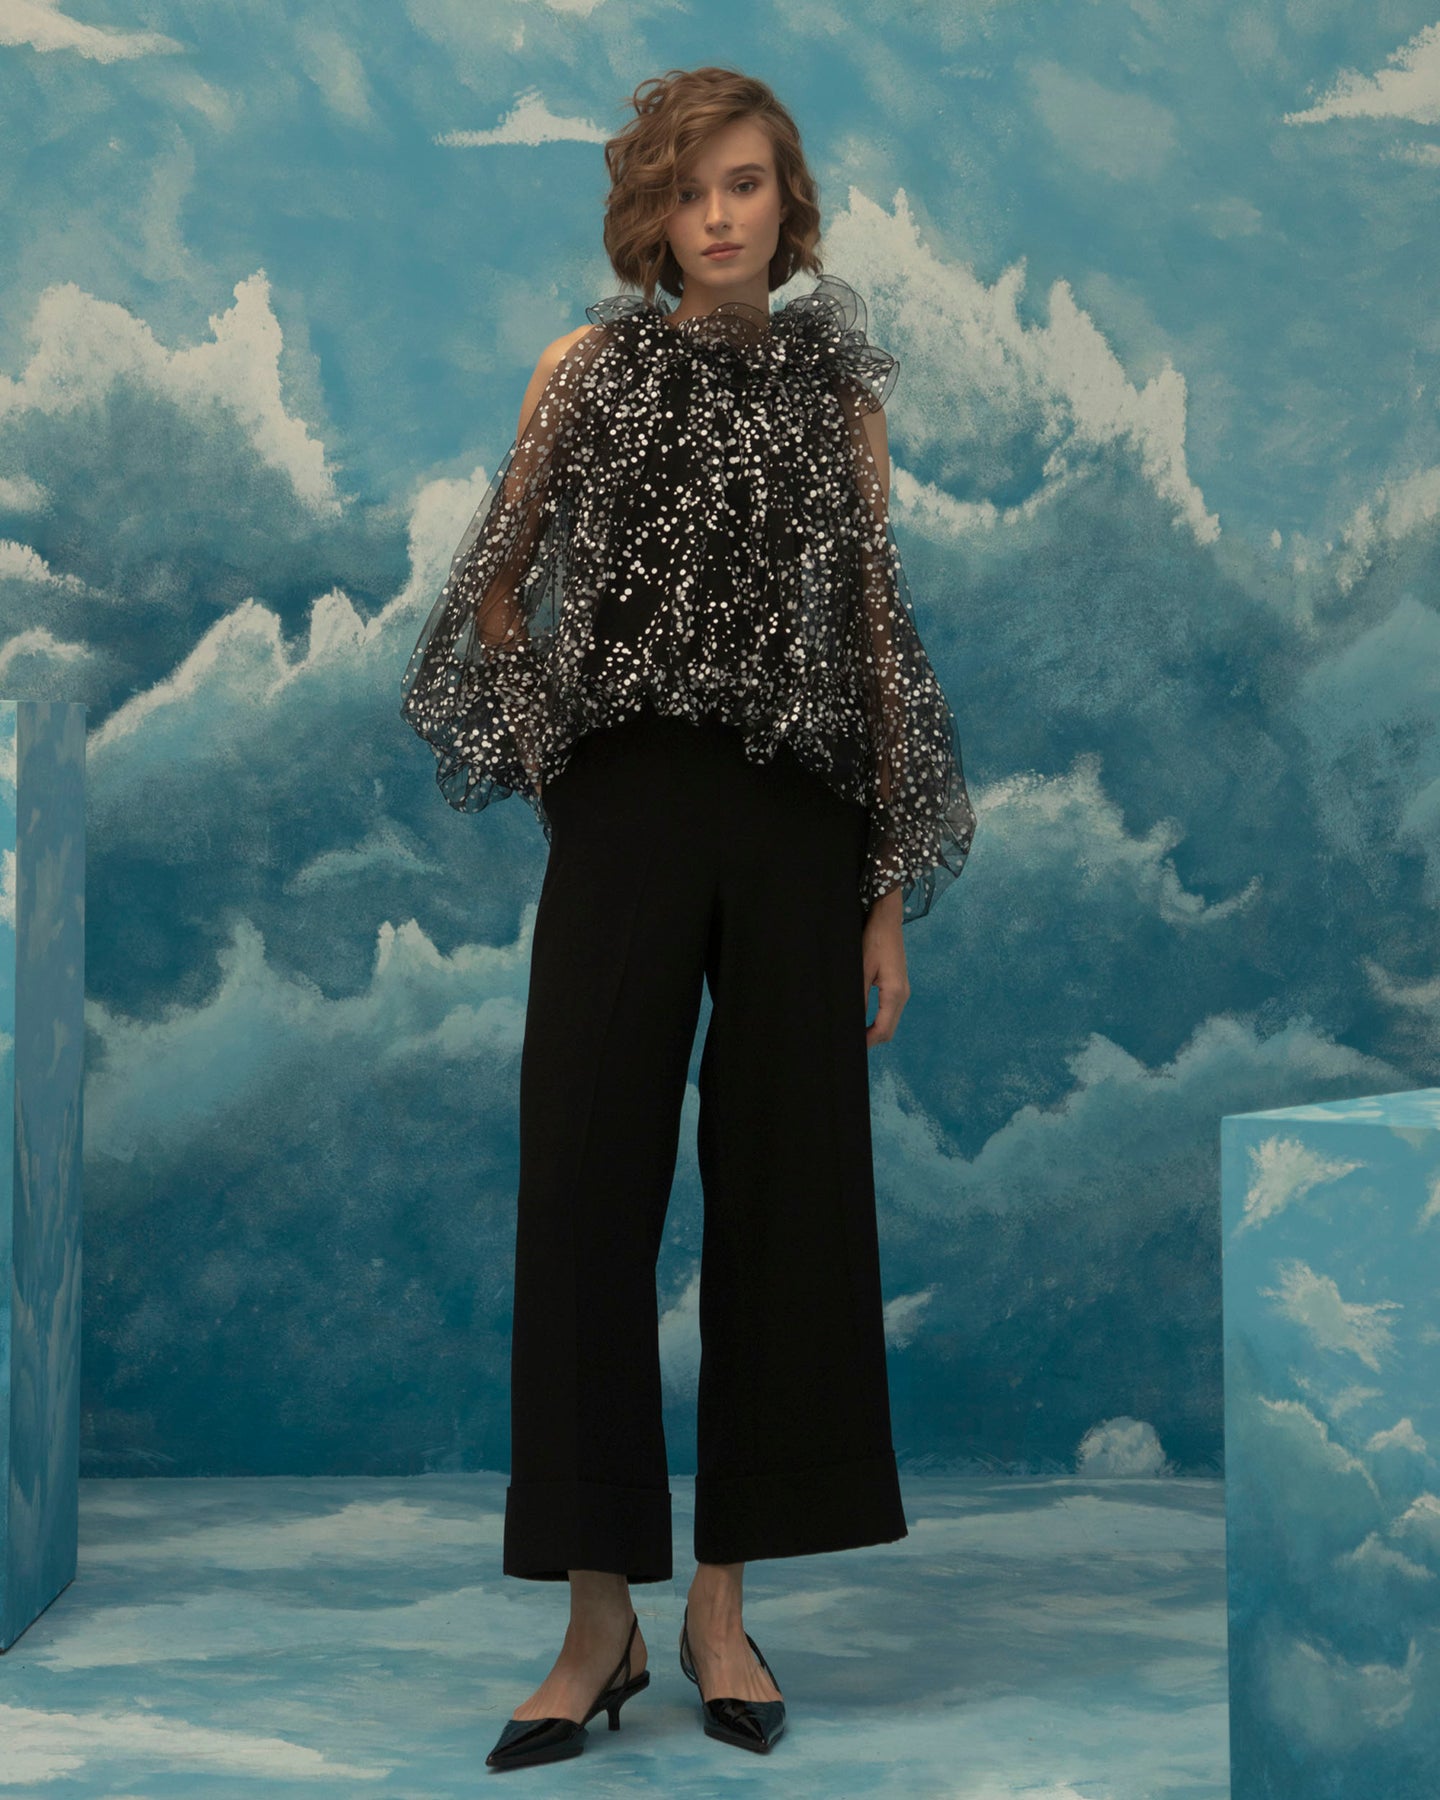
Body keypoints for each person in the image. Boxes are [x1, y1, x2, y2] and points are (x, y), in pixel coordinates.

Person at [400, 65, 976, 1770]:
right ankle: (599, 1623)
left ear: (788, 207)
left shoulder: (840, 397)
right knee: (585, 1179)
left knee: (785, 1189)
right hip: (630, 806)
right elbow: (492, 597)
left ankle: (723, 1608)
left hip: (801, 819)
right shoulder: (583, 373)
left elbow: (873, 646)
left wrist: (884, 892)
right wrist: (568, 763)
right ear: (647, 215)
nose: (718, 216)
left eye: (744, 184)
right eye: (686, 189)